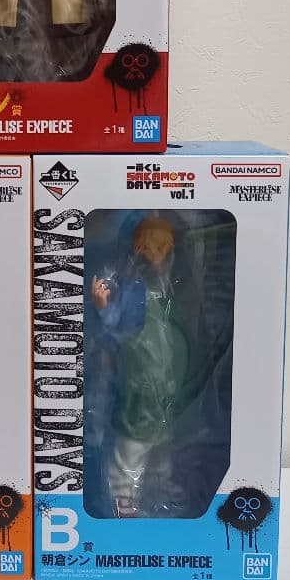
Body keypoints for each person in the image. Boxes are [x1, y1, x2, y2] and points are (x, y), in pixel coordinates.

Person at [92, 217, 192, 516]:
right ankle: (124, 498)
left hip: (168, 385)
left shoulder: (168, 289)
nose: (157, 254)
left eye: (163, 247)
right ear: (137, 249)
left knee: (163, 448)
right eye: (150, 247)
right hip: (140, 385)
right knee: (132, 448)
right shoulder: (132, 288)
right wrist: (103, 306)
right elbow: (113, 329)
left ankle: (159, 488)